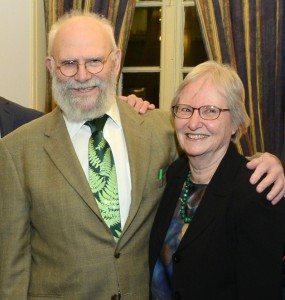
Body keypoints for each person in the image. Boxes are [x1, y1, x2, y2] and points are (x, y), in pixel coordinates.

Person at [0, 11, 283, 300]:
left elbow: (214, 155)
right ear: (50, 66)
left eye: (95, 61)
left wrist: (264, 162)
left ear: (116, 61)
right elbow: (11, 270)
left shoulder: (163, 129)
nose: (82, 75)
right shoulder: (16, 151)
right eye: (69, 64)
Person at [149, 61, 285, 300]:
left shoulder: (257, 191)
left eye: (210, 110)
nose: (193, 122)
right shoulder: (175, 174)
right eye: (185, 109)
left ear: (235, 124)